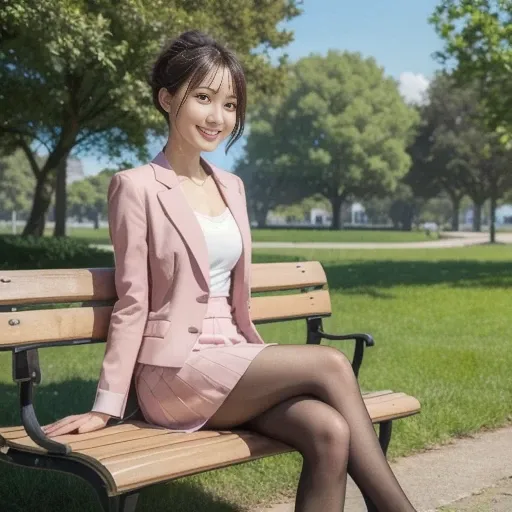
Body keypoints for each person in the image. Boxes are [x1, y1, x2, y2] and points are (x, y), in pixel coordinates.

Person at [42, 30, 417, 512]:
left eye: (230, 104)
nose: (218, 117)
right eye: (203, 98)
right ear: (166, 99)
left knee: (329, 431)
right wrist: (106, 405)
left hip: (235, 354)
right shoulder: (135, 188)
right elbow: (132, 300)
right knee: (330, 363)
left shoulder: (232, 186)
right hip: (175, 370)